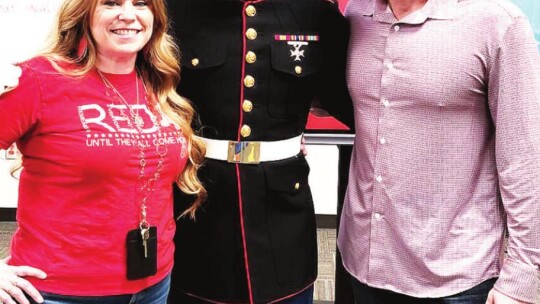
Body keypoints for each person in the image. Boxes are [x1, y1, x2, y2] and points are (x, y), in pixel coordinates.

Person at [0, 0, 205, 303]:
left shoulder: (159, 84)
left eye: (141, 4)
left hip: (154, 286)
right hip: (59, 291)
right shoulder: (38, 79)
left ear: (156, 18)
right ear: (85, 13)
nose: (128, 14)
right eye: (111, 3)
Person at [338, 0, 540, 303]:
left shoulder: (496, 22)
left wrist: (522, 276)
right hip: (364, 265)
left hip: (456, 278)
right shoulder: (357, 15)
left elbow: (525, 158)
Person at [165, 0, 353, 303]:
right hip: (199, 213)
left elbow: (360, 103)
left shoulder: (315, 14)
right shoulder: (175, 11)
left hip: (284, 220)